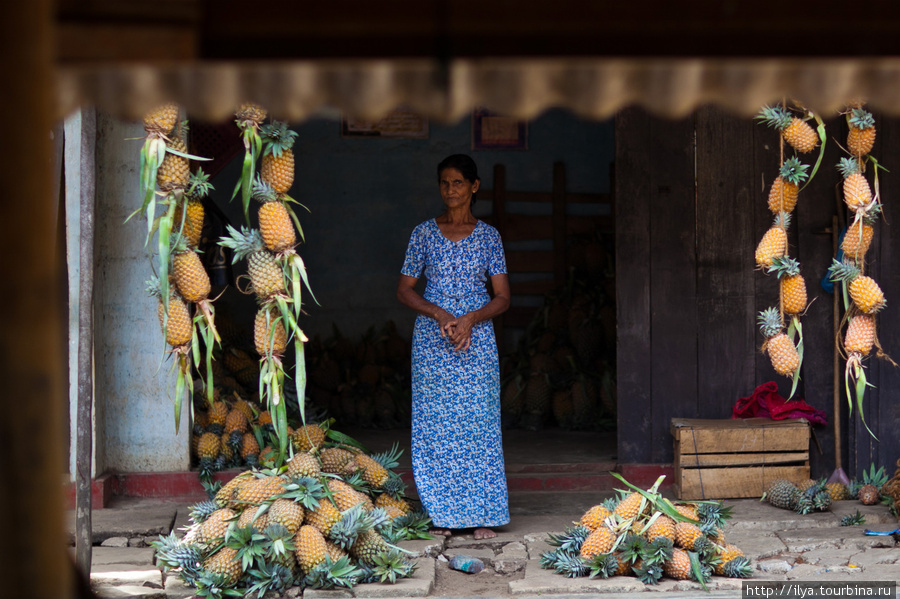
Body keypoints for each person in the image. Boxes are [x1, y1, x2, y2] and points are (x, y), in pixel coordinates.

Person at [397, 154, 511, 540]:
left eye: (458, 183)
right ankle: (442, 515)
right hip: (433, 342)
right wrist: (440, 313)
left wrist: (470, 319)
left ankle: (482, 515)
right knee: (435, 426)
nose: (450, 190)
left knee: (478, 425)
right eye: (444, 183)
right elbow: (405, 290)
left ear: (474, 187)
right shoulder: (423, 234)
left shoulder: (489, 237)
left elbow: (502, 298)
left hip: (476, 343)